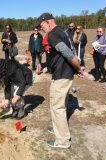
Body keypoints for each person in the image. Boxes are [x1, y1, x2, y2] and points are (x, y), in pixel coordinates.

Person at [35, 12, 87, 148]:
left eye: (41, 25)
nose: (41, 28)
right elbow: (72, 50)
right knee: (61, 105)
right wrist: (78, 67)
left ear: (47, 22)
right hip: (65, 74)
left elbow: (68, 53)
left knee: (57, 107)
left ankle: (62, 141)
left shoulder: (53, 35)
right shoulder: (62, 32)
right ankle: (57, 127)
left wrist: (79, 69)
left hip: (61, 76)